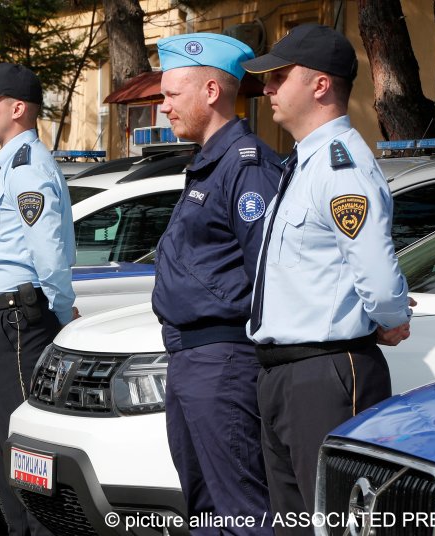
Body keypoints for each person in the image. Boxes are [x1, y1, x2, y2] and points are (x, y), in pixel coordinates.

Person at [241, 23, 414, 531]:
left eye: (279, 77)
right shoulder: (306, 164)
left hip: (324, 374)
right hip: (284, 375)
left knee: (337, 523)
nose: (268, 88)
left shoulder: (341, 167)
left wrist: (391, 318)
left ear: (320, 85)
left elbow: (378, 275)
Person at [149, 35, 281, 535]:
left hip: (223, 359)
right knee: (205, 507)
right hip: (191, 357)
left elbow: (267, 270)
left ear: (209, 91)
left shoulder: (247, 166)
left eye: (171, 95)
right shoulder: (211, 163)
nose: (163, 108)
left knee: (241, 509)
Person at [0, 63, 74, 535]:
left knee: (24, 450)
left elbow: (48, 254)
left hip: (17, 322)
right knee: (5, 449)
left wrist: (63, 316)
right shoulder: (9, 164)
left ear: (18, 108)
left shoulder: (29, 168)